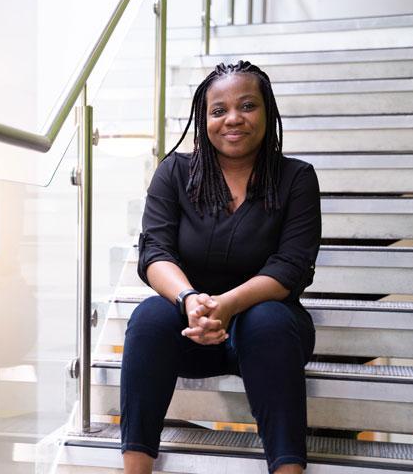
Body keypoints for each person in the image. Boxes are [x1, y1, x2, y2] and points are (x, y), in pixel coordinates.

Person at [120, 61, 321, 474]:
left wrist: (227, 305)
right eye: (218, 110)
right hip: (191, 331)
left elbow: (292, 265)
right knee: (148, 317)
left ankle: (288, 470)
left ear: (267, 111)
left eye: (247, 106)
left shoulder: (296, 178)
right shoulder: (175, 172)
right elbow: (155, 252)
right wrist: (190, 299)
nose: (233, 118)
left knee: (266, 320)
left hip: (269, 335)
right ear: (203, 117)